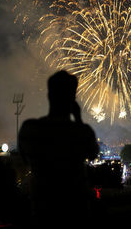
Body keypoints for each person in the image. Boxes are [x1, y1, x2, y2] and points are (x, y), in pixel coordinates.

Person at [18, 70, 99, 227]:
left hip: (42, 216)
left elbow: (23, 159)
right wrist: (79, 119)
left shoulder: (30, 129)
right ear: (73, 100)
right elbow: (94, 153)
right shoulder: (82, 132)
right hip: (76, 216)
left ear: (49, 96)